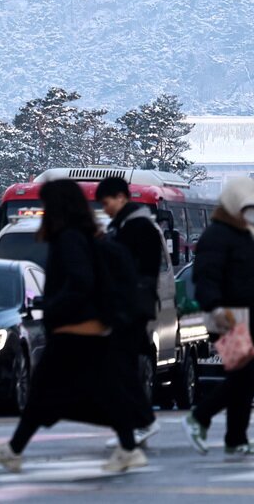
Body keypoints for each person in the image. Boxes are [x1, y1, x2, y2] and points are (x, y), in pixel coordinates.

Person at [0, 178, 146, 474]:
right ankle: (16, 449)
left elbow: (79, 282)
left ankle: (15, 450)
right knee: (73, 392)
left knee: (50, 391)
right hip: (88, 328)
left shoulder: (68, 238)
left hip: (74, 329)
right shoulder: (86, 234)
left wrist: (53, 305)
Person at [181, 175, 254, 458]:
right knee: (243, 377)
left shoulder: (243, 234)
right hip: (229, 316)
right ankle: (202, 417)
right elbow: (206, 276)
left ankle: (236, 437)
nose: (253, 214)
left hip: (247, 317)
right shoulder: (217, 236)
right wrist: (216, 309)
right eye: (248, 207)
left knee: (243, 379)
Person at [97, 175, 162, 449]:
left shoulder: (136, 228)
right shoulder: (125, 225)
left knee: (123, 365)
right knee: (122, 365)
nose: (105, 208)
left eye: (107, 202)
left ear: (121, 197)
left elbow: (135, 270)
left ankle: (141, 421)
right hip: (128, 306)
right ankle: (134, 423)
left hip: (130, 307)